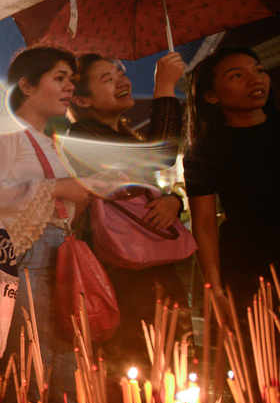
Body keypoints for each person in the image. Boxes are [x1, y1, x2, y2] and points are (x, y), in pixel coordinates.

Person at [0, 47, 96, 403]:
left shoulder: (45, 139)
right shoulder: (2, 131)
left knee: (63, 358)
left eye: (72, 80)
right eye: (59, 78)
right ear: (25, 84)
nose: (69, 87)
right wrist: (60, 187)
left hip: (55, 251)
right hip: (28, 254)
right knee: (31, 357)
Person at [65, 53, 188, 380]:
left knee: (173, 359)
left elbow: (148, 185)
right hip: (120, 273)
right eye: (107, 79)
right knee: (136, 368)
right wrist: (164, 85)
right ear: (82, 99)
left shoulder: (125, 136)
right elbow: (160, 155)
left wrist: (174, 200)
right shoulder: (82, 137)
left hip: (152, 266)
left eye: (120, 72)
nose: (123, 80)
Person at [183, 47, 279, 314]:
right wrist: (214, 288)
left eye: (259, 70)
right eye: (237, 76)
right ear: (210, 96)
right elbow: (204, 224)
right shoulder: (204, 151)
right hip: (249, 263)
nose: (255, 79)